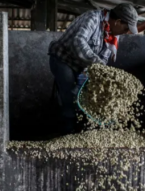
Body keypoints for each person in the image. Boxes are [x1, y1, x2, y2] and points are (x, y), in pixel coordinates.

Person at [48, 3, 139, 135]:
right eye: (126, 29)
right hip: (63, 59)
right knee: (69, 94)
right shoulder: (93, 18)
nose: (126, 32)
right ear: (118, 22)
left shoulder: (113, 35)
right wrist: (98, 65)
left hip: (82, 65)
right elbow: (77, 42)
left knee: (87, 94)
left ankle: (83, 129)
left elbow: (103, 58)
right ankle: (66, 132)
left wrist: (101, 75)